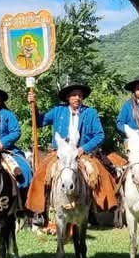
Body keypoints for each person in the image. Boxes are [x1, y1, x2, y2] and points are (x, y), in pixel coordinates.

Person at [25, 82, 116, 216]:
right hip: (59, 152)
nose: (77, 98)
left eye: (79, 95)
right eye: (74, 95)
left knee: (98, 172)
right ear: (68, 98)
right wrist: (33, 105)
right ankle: (39, 211)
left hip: (81, 153)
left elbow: (100, 135)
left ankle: (101, 207)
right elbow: (38, 121)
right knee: (42, 173)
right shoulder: (58, 110)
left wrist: (84, 148)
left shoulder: (90, 113)